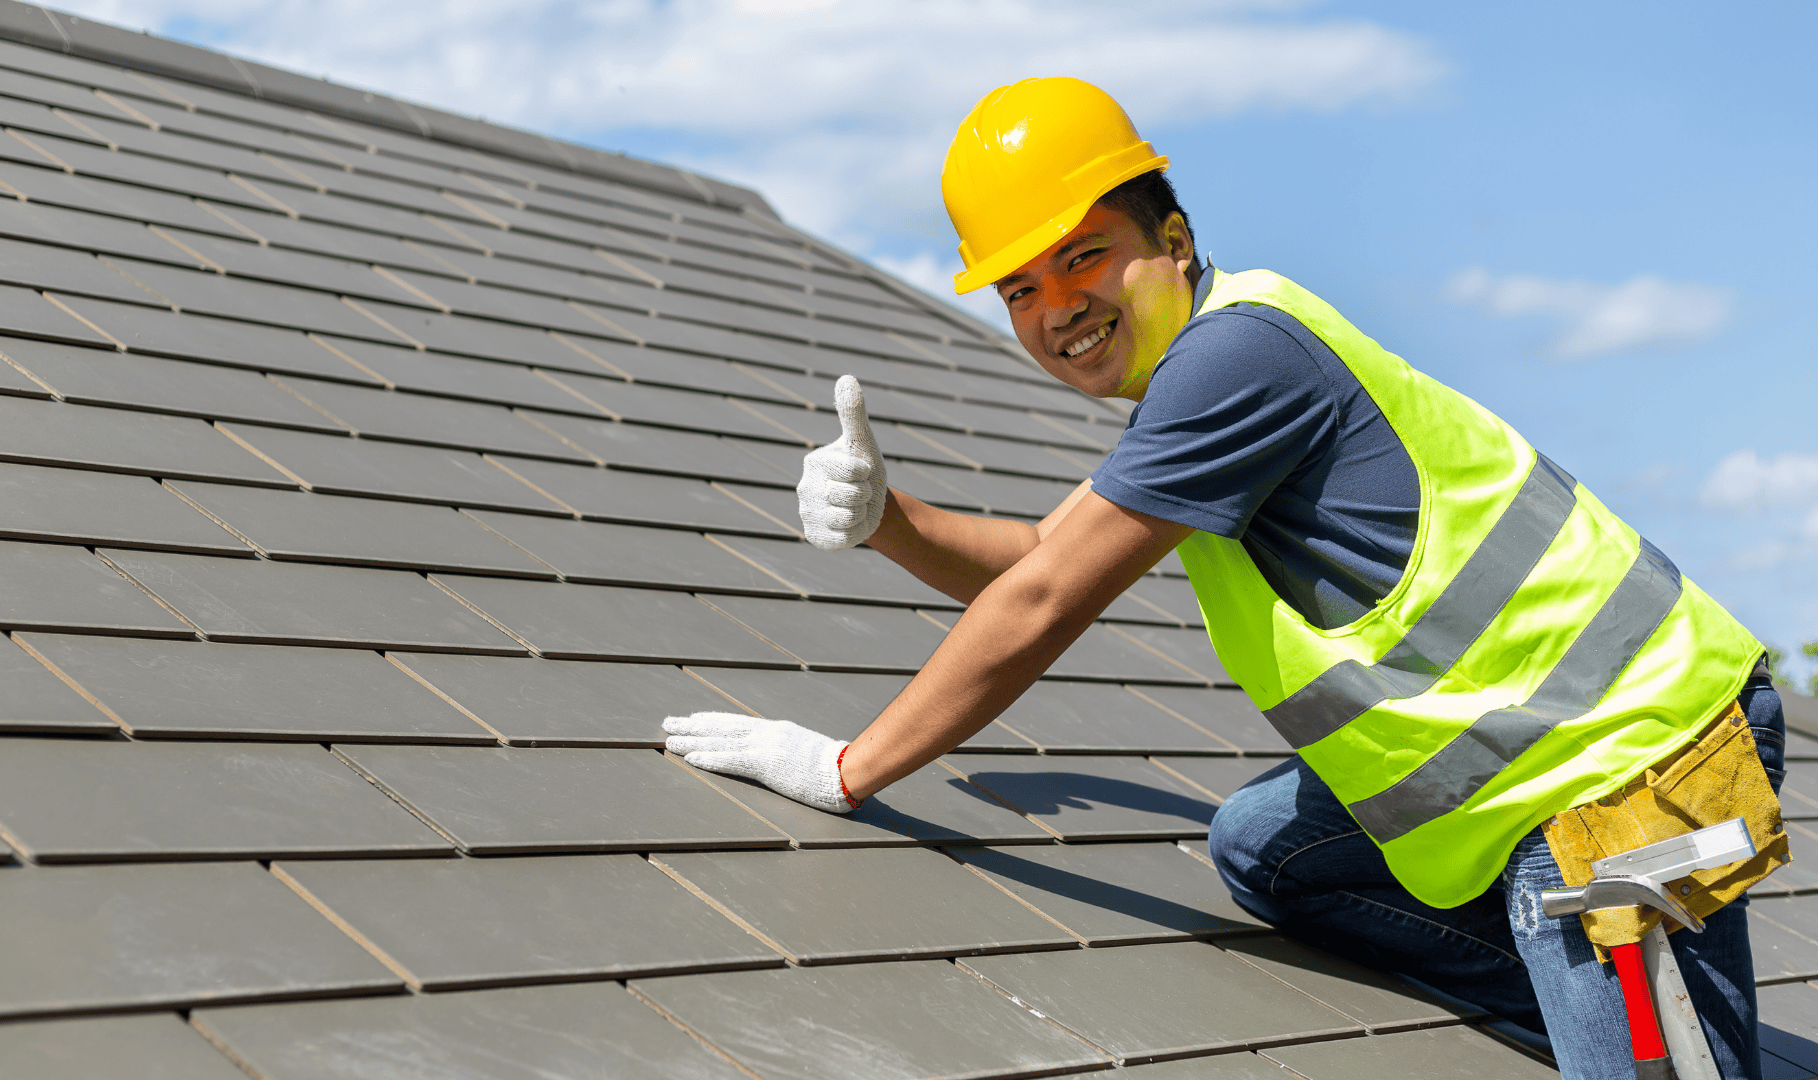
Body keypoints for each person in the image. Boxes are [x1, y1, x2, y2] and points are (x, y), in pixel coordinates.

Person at [664, 77, 1787, 1078]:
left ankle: (1635, 1015)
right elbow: (1038, 562)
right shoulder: (1201, 380)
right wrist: (888, 520)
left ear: (1176, 238)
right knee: (1268, 849)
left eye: (1083, 255)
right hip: (1536, 758)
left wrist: (848, 770)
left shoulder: (1237, 360)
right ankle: (1582, 989)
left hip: (1629, 767)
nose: (1054, 307)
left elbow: (1047, 603)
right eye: (1016, 288)